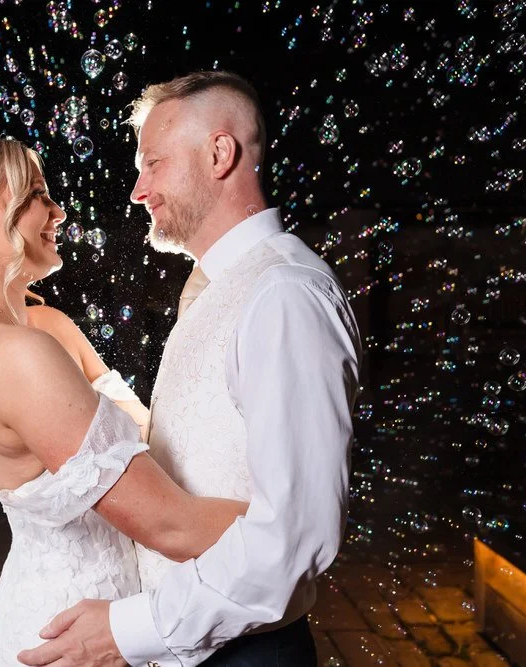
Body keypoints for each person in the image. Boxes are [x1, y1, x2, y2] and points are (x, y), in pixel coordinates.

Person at [18, 71, 362, 667]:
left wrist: (131, 630)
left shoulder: (283, 295)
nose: (138, 191)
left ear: (219, 154)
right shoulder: (223, 285)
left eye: (153, 164)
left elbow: (297, 535)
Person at [0, 133, 249, 666]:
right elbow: (172, 524)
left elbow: (150, 434)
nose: (57, 211)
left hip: (112, 615)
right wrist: (295, 525)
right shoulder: (15, 356)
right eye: (36, 195)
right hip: (72, 632)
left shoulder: (43, 326)